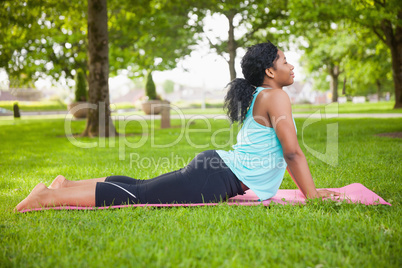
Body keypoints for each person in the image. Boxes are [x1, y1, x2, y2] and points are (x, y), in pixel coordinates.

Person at [15, 42, 339, 212]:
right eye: (285, 61)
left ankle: (67, 184)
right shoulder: (276, 97)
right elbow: (293, 153)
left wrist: (309, 191)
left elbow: (290, 153)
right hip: (217, 176)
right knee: (139, 195)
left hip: (217, 170)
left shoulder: (262, 94)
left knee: (142, 186)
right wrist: (311, 196)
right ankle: (47, 197)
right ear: (270, 71)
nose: (291, 65)